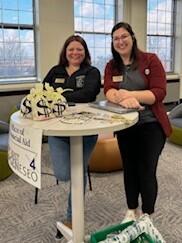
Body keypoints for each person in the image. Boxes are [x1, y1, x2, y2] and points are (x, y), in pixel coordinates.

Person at [104, 22, 172, 223]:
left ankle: (147, 215)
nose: (120, 41)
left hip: (151, 125)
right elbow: (108, 89)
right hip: (125, 125)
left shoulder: (151, 60)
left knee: (146, 170)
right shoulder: (111, 66)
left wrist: (132, 95)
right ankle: (131, 209)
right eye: (116, 38)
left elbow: (159, 93)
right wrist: (120, 98)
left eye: (124, 36)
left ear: (132, 38)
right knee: (129, 169)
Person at [43, 35, 101, 228]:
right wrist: (67, 96)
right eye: (71, 49)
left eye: (79, 49)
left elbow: (89, 94)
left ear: (85, 52)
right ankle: (72, 216)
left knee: (79, 171)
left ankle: (71, 218)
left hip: (85, 130)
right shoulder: (55, 71)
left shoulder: (92, 72)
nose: (75, 53)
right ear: (65, 52)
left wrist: (58, 96)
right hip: (58, 131)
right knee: (63, 174)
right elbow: (44, 93)